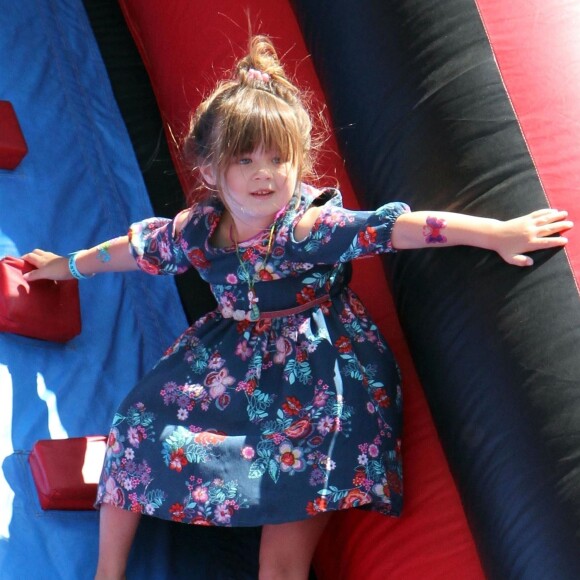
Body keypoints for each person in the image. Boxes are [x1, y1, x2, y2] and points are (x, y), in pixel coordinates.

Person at [22, 35, 572, 580]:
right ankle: (107, 572)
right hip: (235, 357)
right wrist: (66, 266)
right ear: (209, 171)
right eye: (245, 159)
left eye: (278, 159)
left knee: (284, 539)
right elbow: (136, 249)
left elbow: (395, 227)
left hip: (320, 373)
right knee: (135, 424)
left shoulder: (305, 230)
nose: (265, 173)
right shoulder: (201, 230)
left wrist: (498, 232)